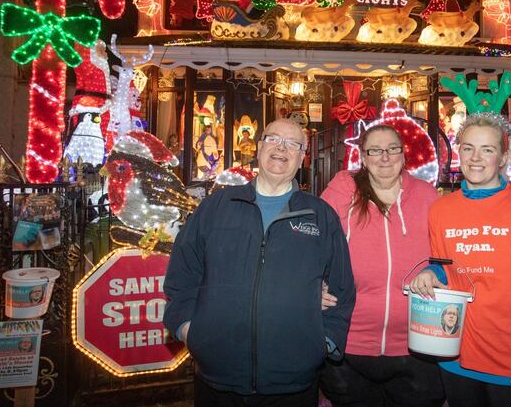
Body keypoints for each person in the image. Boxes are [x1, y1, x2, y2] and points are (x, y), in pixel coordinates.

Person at [164, 118, 356, 406]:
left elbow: (341, 286)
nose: (281, 148)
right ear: (259, 146)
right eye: (273, 139)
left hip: (293, 383)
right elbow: (183, 273)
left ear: (302, 157)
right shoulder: (217, 206)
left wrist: (324, 342)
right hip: (217, 378)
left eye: (292, 144)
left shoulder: (320, 216)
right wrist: (187, 330)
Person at [410, 113, 511, 406]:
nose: (475, 158)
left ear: (503, 157)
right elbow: (447, 267)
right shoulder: (441, 209)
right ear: (459, 152)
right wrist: (432, 274)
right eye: (468, 148)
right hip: (454, 359)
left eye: (487, 149)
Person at [319, 125, 444, 407]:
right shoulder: (342, 191)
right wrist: (312, 284)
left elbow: (446, 253)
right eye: (375, 150)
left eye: (392, 149)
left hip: (416, 345)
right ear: (363, 157)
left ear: (404, 154)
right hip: (349, 345)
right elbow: (311, 245)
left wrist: (435, 271)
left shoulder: (426, 195)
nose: (385, 157)